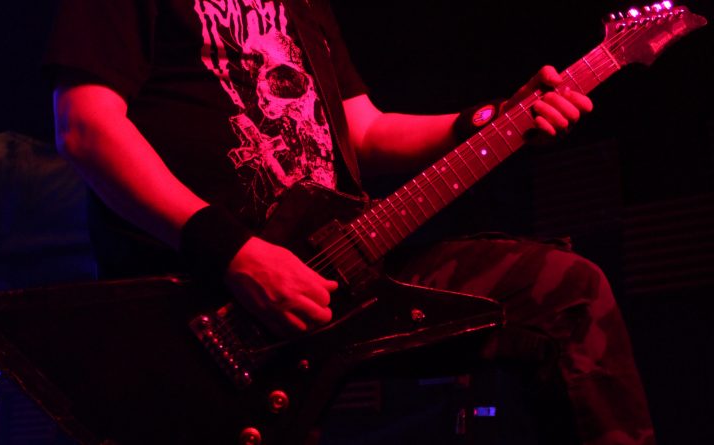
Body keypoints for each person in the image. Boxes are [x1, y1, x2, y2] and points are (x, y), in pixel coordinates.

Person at [45, 0, 655, 443]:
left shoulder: (304, 6)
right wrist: (233, 253)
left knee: (569, 293)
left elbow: (363, 132)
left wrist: (490, 119)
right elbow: (86, 128)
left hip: (345, 266)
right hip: (209, 299)